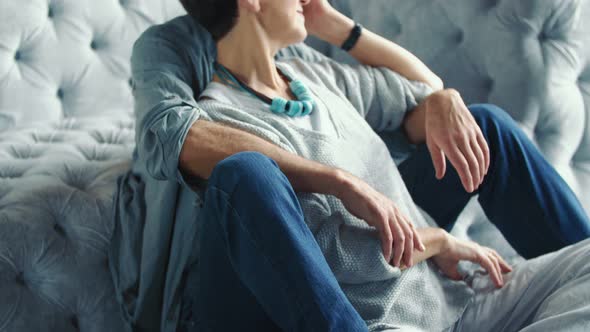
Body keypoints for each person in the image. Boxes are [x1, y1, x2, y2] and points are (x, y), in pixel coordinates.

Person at [107, 0, 590, 331]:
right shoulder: (216, 115)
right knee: (246, 175)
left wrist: (338, 27)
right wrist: (343, 184)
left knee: (482, 125)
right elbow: (334, 248)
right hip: (370, 306)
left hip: (452, 299)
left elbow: (429, 95)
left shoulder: (311, 73)